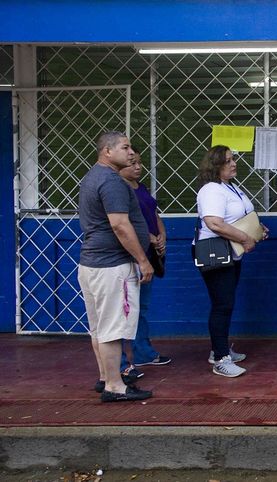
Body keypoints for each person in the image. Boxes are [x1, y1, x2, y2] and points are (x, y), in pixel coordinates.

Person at [77, 131, 153, 402]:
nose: (131, 152)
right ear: (107, 151)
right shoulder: (111, 182)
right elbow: (120, 225)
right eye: (125, 147)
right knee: (112, 329)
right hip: (112, 266)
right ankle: (114, 386)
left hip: (92, 265)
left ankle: (105, 377)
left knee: (99, 327)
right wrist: (143, 260)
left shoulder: (92, 177)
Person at [196, 145, 266, 378]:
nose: (234, 163)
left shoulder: (229, 187)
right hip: (216, 253)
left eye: (233, 159)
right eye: (228, 160)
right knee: (222, 304)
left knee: (225, 303)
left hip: (231, 253)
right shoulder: (212, 190)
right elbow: (214, 223)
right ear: (215, 165)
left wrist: (257, 229)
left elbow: (238, 217)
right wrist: (245, 238)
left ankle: (221, 348)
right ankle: (220, 358)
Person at [117, 147, 171, 375]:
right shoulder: (118, 190)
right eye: (133, 163)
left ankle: (142, 351)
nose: (138, 167)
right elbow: (121, 223)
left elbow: (153, 213)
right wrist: (146, 237)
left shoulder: (141, 187)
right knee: (125, 308)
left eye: (140, 163)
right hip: (132, 255)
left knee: (142, 306)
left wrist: (161, 234)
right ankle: (120, 361)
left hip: (150, 254)